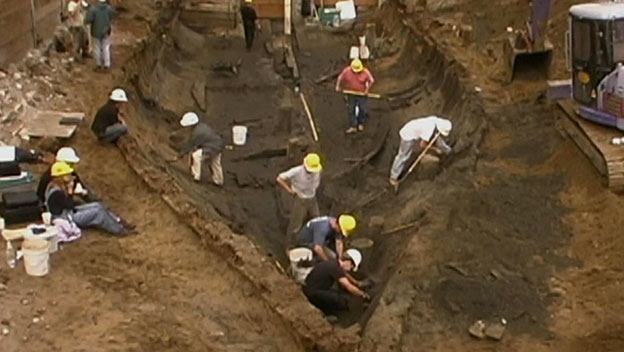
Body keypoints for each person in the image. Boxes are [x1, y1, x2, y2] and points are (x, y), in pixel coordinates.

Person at [44, 161, 133, 235]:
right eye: (67, 174)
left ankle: (118, 221)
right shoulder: (56, 192)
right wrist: (70, 191)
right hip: (66, 218)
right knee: (98, 212)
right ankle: (118, 230)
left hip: (68, 212)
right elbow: (70, 205)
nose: (70, 176)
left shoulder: (54, 186)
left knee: (98, 205)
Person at [389, 116, 453, 187]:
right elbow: (422, 145)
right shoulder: (429, 129)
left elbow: (436, 136)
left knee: (438, 140)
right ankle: (393, 177)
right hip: (407, 134)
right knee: (403, 156)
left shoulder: (436, 121)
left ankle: (448, 151)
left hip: (414, 127)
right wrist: (435, 149)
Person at [303, 249, 370, 315]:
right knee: (339, 300)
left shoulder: (334, 263)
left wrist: (357, 283)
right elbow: (349, 287)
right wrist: (362, 294)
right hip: (312, 294)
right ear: (348, 261)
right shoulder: (335, 268)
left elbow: (345, 274)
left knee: (335, 290)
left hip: (311, 287)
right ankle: (326, 313)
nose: (351, 269)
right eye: (352, 267)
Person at [170, 112, 225, 186]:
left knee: (196, 156)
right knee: (215, 162)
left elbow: (190, 145)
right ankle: (218, 181)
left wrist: (178, 156)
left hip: (212, 146)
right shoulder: (201, 127)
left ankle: (196, 176)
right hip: (219, 144)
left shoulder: (197, 133)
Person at [277, 153, 322, 239]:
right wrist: (289, 190)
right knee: (296, 224)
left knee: (316, 219)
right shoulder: (297, 171)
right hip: (301, 199)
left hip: (313, 198)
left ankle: (314, 239)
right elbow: (280, 178)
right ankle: (290, 244)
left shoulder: (318, 170)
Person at [335, 59, 375, 134]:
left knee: (363, 109)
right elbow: (340, 78)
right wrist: (338, 86)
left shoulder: (365, 72)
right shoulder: (347, 71)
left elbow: (371, 80)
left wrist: (367, 90)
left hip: (361, 94)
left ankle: (360, 123)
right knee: (351, 109)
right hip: (351, 94)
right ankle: (353, 126)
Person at [85, 0, 115, 71]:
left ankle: (98, 65)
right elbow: (113, 16)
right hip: (106, 32)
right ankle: (107, 65)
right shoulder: (109, 9)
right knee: (106, 48)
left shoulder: (93, 9)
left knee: (96, 48)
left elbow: (88, 20)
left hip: (95, 32)